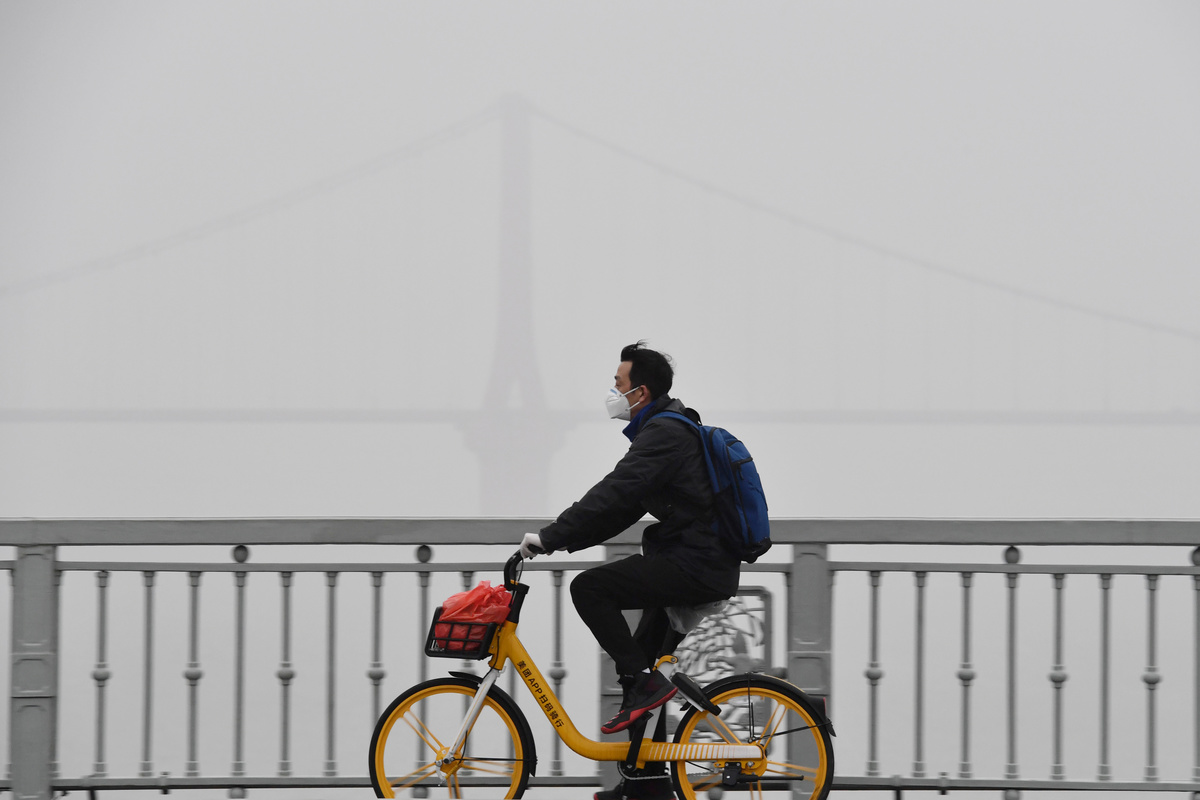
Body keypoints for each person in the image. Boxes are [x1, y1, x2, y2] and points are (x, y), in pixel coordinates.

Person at [518, 341, 742, 800]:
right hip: (698, 562)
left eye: (618, 384)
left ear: (641, 392)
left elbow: (615, 491)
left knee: (590, 589)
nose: (612, 392)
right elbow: (620, 510)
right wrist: (556, 541)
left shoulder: (664, 434)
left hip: (695, 565)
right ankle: (645, 783)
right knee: (642, 663)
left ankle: (644, 686)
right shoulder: (665, 430)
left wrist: (550, 535)